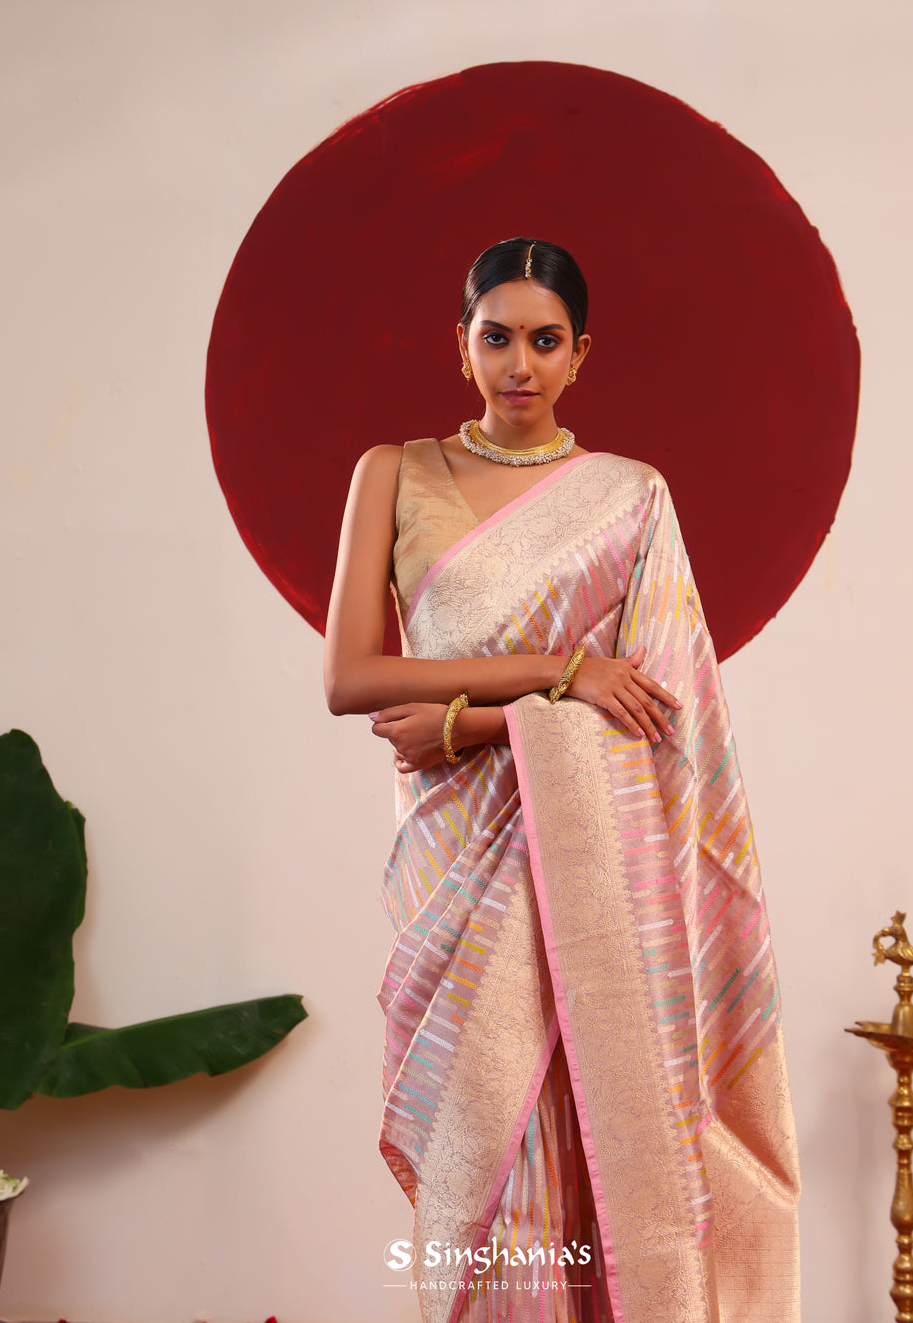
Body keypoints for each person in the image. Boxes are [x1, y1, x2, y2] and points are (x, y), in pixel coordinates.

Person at [324, 238, 800, 1323]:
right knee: (484, 1145)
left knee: (590, 1134)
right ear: (461, 344)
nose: (519, 365)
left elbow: (657, 723)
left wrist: (465, 723)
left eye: (546, 342)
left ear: (581, 354)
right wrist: (561, 671)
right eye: (496, 337)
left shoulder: (630, 500)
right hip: (455, 864)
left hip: (592, 887)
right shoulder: (391, 472)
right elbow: (352, 678)